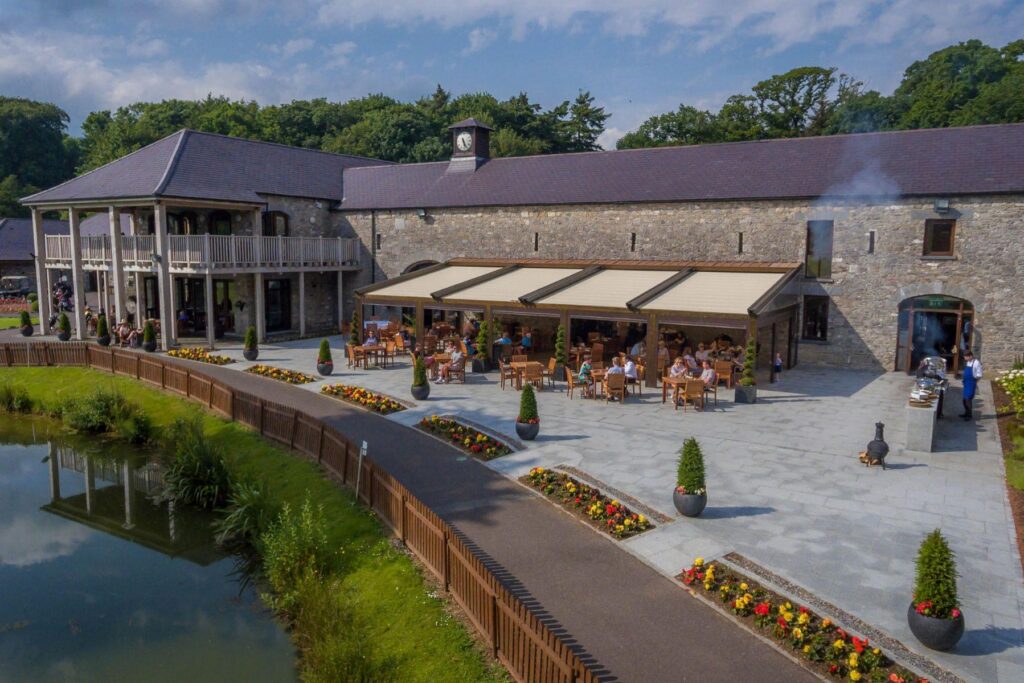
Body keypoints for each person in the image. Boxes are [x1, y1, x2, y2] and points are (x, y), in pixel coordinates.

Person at [961, 349, 983, 421]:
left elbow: (979, 375)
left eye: (966, 357)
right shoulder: (968, 362)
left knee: (968, 399)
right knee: (964, 400)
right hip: (966, 383)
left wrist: (975, 382)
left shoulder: (976, 363)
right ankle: (966, 413)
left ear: (970, 356)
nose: (965, 358)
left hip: (971, 383)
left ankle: (969, 415)